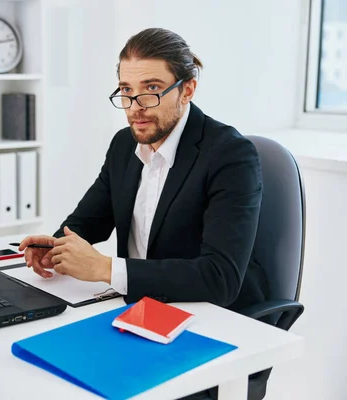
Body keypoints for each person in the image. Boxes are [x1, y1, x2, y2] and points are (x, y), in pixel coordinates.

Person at [18, 28, 268, 400]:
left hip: (206, 324)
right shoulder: (125, 144)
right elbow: (89, 220)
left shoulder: (231, 156)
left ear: (187, 89)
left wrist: (106, 269)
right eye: (126, 91)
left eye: (151, 89)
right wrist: (54, 245)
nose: (136, 105)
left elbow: (221, 278)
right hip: (134, 315)